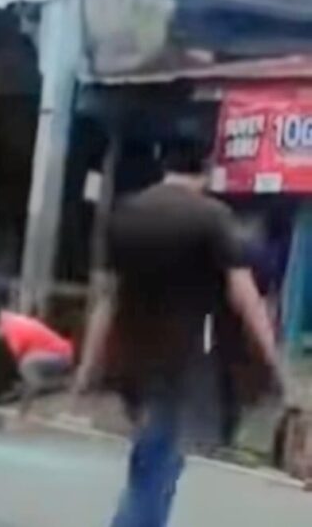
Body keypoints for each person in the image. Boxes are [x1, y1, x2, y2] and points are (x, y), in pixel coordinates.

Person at [74, 138, 284, 527]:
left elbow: (106, 299)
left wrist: (88, 366)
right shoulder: (212, 217)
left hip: (130, 355)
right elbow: (245, 297)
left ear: (163, 166)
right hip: (182, 359)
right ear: (204, 170)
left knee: (152, 459)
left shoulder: (126, 213)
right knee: (159, 463)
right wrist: (270, 357)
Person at [0, 264, 74, 410]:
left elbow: (10, 359)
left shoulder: (5, 328)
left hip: (58, 353)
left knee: (26, 365)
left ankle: (44, 387)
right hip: (43, 351)